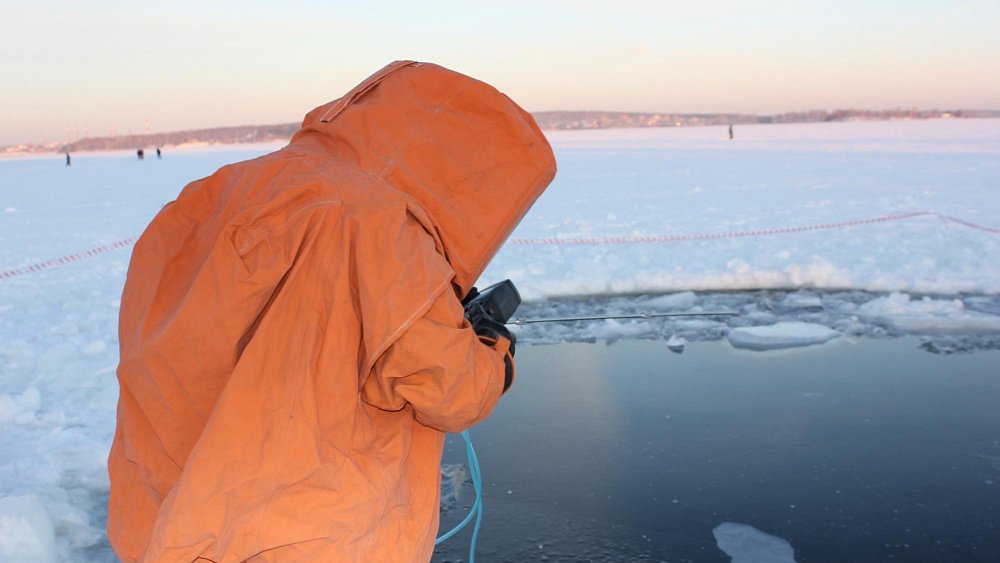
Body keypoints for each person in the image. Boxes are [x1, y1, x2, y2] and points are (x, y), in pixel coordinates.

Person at [107, 60, 556, 562]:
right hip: (300, 537)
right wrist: (493, 347)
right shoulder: (382, 228)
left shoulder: (221, 189)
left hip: (166, 517)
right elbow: (453, 390)